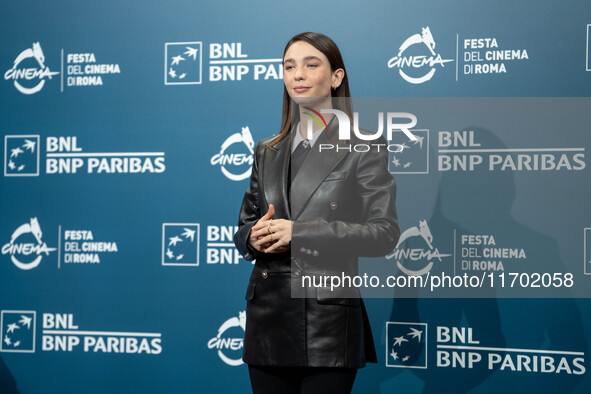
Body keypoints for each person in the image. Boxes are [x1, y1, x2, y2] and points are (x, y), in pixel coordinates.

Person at [234, 32, 400, 394]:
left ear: (336, 77)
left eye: (311, 65)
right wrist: (254, 237)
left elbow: (384, 233)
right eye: (289, 66)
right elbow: (244, 228)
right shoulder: (267, 150)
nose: (298, 74)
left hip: (326, 323)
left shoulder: (364, 145)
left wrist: (300, 232)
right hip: (267, 321)